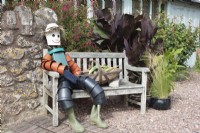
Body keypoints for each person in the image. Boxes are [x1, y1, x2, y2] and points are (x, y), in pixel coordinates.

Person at [41, 23, 108, 133]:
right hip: (62, 80)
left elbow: (74, 67)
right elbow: (44, 64)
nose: (56, 38)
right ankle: (72, 120)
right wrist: (60, 68)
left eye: (57, 35)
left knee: (95, 86)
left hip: (73, 78)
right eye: (53, 35)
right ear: (47, 37)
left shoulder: (64, 54)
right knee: (64, 94)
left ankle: (95, 116)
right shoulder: (49, 55)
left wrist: (76, 73)